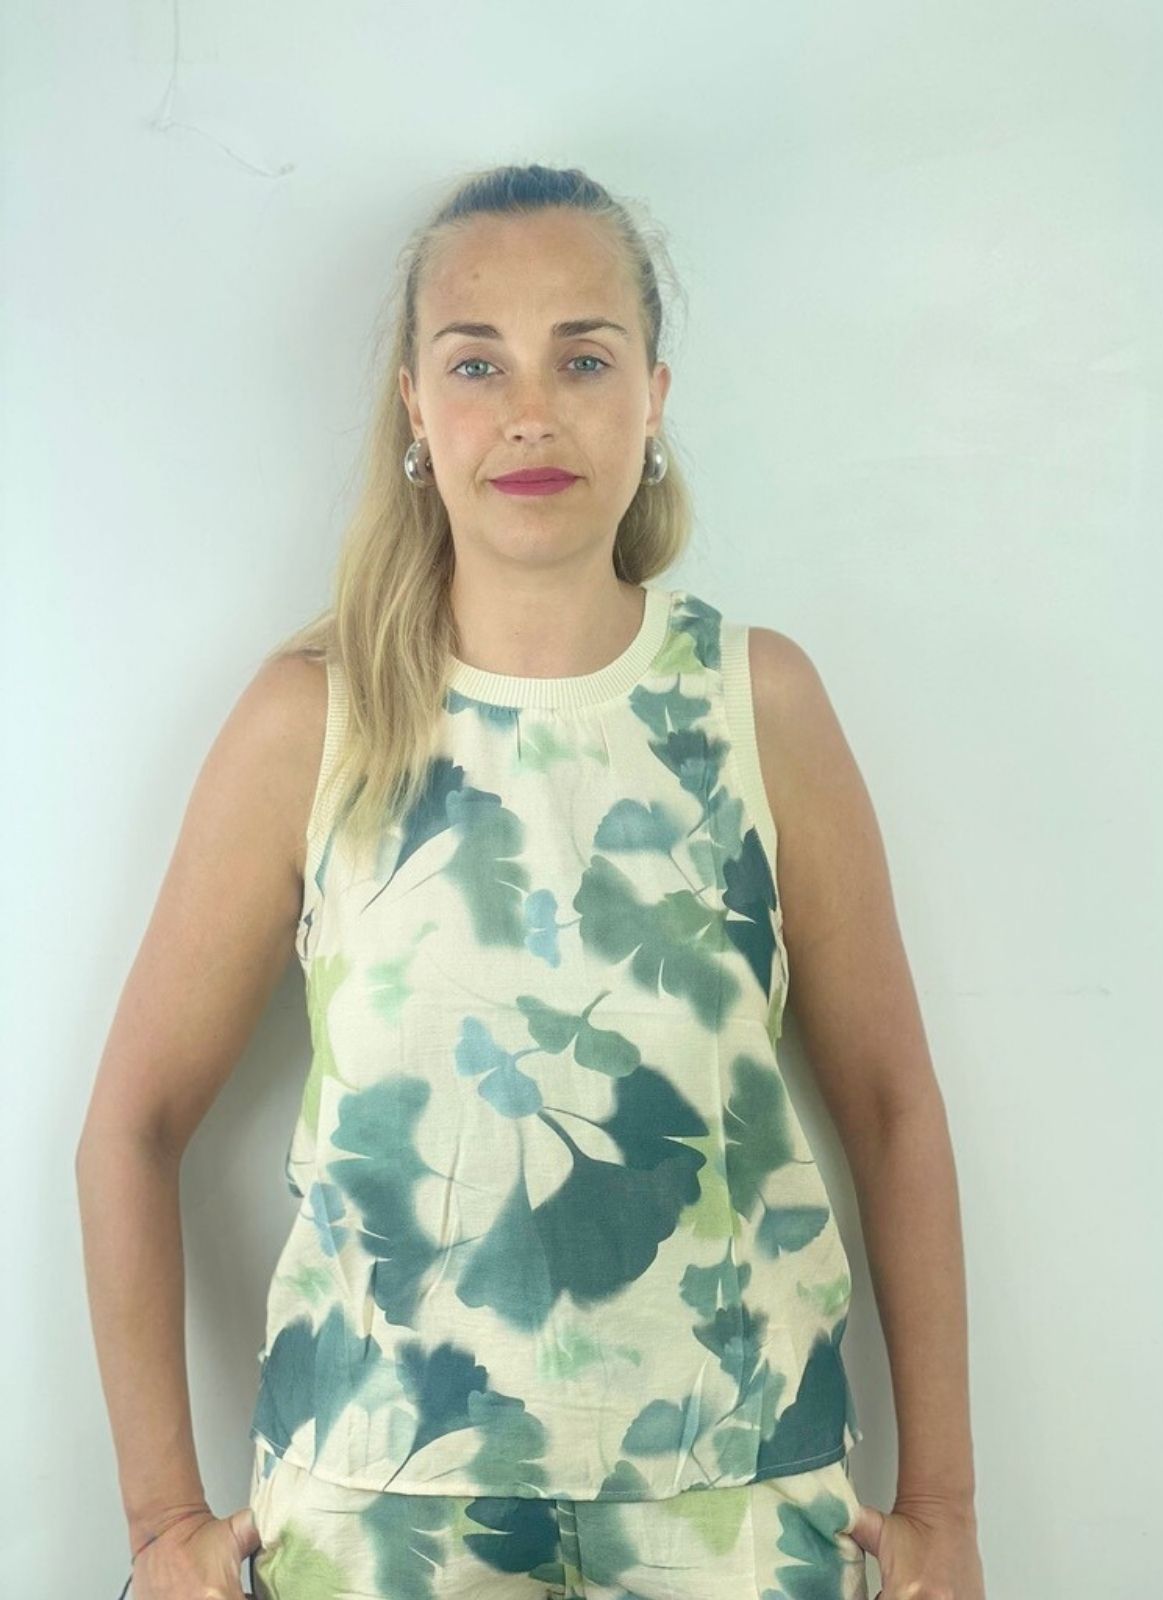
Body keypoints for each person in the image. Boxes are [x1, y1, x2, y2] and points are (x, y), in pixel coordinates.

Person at [77, 162, 986, 1600]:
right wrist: (154, 1523)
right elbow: (128, 1128)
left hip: (737, 1515)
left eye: (584, 357)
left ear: (654, 398)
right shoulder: (313, 720)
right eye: (475, 362)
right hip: (378, 1525)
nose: (530, 410)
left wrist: (946, 1503)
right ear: (414, 409)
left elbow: (891, 1109)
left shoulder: (759, 705)